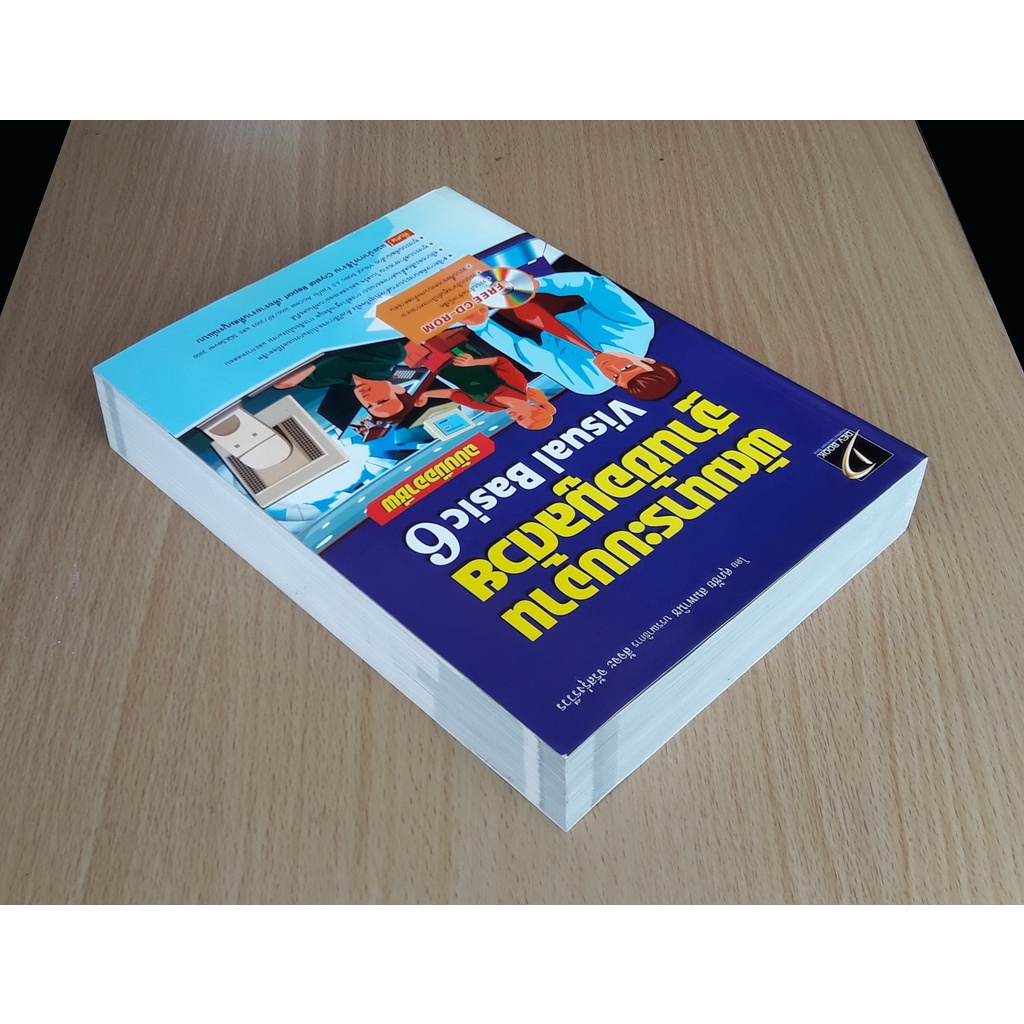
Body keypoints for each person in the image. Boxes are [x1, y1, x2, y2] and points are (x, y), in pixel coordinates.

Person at [461, 270, 679, 400]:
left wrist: (483, 326)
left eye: (615, 378)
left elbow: (532, 355)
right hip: (557, 296)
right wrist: (539, 284)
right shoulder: (638, 326)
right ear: (647, 361)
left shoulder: (589, 385)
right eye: (626, 368)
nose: (609, 368)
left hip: (529, 329)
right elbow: (593, 286)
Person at [272, 338, 418, 429]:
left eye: (369, 406)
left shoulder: (320, 380)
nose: (369, 399)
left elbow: (282, 382)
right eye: (382, 400)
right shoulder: (391, 355)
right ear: (397, 389)